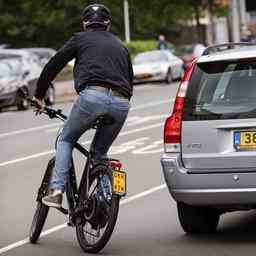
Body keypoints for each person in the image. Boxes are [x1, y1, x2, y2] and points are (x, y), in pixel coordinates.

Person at [34, 4, 134, 208]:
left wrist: (39, 95)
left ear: (85, 23)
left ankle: (57, 191)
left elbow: (54, 64)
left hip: (92, 97)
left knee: (66, 139)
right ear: (108, 24)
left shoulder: (80, 39)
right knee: (99, 153)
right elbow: (129, 78)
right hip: (122, 103)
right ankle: (106, 198)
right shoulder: (119, 44)